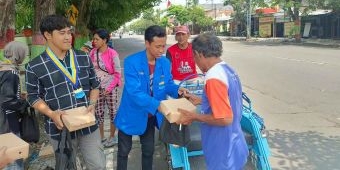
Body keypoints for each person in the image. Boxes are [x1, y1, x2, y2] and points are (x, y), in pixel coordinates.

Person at [25, 15, 105, 169]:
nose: (68, 37)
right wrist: (52, 114)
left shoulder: (83, 57)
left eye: (69, 32)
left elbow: (95, 85)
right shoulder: (34, 66)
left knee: (98, 165)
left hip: (88, 123)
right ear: (48, 35)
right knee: (67, 166)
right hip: (60, 128)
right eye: (62, 33)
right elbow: (33, 97)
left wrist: (93, 104)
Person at [114, 25, 187, 170]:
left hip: (150, 115)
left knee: (148, 150)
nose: (161, 50)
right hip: (131, 114)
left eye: (163, 46)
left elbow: (168, 84)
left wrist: (179, 91)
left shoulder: (165, 63)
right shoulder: (131, 62)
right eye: (157, 46)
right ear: (147, 43)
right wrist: (157, 105)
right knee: (123, 151)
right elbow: (134, 92)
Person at [176, 33, 249, 170]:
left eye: (194, 58)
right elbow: (229, 101)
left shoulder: (213, 77)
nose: (195, 63)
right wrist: (202, 100)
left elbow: (225, 119)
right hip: (235, 141)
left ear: (199, 54)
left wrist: (194, 116)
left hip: (222, 146)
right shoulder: (228, 70)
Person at [0, 41, 30, 170]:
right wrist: (25, 103)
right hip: (8, 121)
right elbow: (7, 101)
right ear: (19, 55)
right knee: (13, 157)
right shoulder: (10, 73)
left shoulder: (2, 68)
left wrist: (18, 95)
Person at [90, 29, 121, 147]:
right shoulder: (92, 53)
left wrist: (109, 88)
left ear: (104, 40)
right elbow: (90, 71)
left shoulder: (112, 53)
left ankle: (113, 137)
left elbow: (118, 74)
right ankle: (101, 137)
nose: (94, 41)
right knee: (98, 114)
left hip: (110, 88)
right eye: (94, 39)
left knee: (113, 113)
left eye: (97, 39)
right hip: (97, 89)